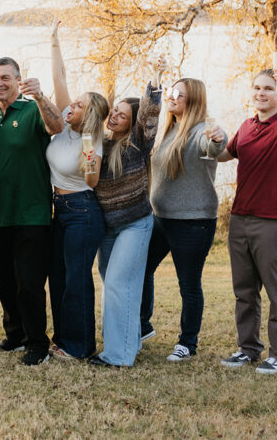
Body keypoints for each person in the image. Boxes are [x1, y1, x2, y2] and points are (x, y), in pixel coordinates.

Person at [218, 61, 277, 375]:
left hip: (273, 222)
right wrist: (214, 140)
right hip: (239, 219)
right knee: (244, 292)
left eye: (269, 89)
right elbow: (225, 154)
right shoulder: (246, 126)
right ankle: (248, 349)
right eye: (257, 88)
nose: (261, 93)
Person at [0, 54, 62, 366]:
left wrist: (40, 96)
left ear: (18, 80)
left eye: (5, 77)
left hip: (32, 215)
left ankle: (37, 344)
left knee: (29, 284)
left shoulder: (31, 110)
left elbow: (56, 126)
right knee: (5, 282)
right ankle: (15, 336)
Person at [143, 77, 228, 363]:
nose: (172, 97)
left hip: (193, 222)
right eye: (171, 91)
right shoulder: (167, 129)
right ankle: (142, 326)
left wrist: (218, 139)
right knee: (142, 269)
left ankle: (187, 343)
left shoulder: (202, 130)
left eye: (180, 94)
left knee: (189, 284)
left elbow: (213, 146)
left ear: (193, 101)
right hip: (160, 218)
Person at [88, 57, 165, 368]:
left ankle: (118, 356)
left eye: (123, 113)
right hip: (107, 227)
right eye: (114, 110)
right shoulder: (100, 144)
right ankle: (128, 344)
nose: (115, 115)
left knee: (119, 284)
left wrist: (155, 82)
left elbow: (149, 114)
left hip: (135, 224)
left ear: (133, 122)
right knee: (115, 284)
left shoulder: (137, 142)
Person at [47, 22, 110, 362]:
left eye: (80, 105)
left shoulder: (92, 140)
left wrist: (88, 149)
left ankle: (80, 346)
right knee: (59, 278)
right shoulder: (62, 125)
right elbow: (60, 79)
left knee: (76, 280)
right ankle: (62, 339)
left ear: (91, 115)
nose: (71, 105)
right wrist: (54, 42)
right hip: (59, 210)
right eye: (74, 101)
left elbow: (91, 180)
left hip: (82, 213)